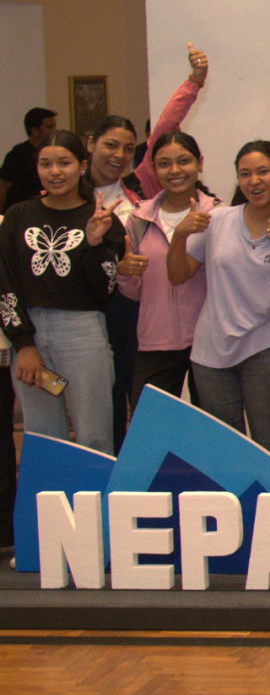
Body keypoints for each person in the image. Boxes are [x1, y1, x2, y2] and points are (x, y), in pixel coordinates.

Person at [170, 140, 270, 459]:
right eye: (245, 174)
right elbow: (178, 275)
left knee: (269, 447)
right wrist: (179, 236)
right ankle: (236, 509)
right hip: (211, 352)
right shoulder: (218, 219)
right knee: (224, 451)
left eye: (263, 171)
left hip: (266, 348)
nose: (254, 181)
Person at [0, 130, 124, 454]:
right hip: (30, 335)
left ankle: (95, 505)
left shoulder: (101, 219)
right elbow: (5, 281)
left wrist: (95, 244)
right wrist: (23, 343)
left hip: (83, 333)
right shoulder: (17, 216)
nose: (54, 171)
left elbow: (104, 291)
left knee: (93, 437)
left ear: (82, 165)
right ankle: (50, 505)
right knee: (42, 440)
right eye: (45, 164)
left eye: (64, 163)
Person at [114, 131, 219, 407]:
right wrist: (124, 274)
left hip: (209, 341)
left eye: (183, 161)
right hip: (155, 341)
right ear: (153, 169)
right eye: (164, 164)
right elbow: (135, 293)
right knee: (150, 431)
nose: (174, 171)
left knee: (209, 434)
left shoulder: (220, 215)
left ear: (199, 163)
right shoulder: (139, 218)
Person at [0, 106, 57, 211]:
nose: (54, 130)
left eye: (54, 126)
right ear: (34, 130)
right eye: (49, 127)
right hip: (21, 211)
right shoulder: (17, 155)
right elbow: (3, 188)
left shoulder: (55, 152)